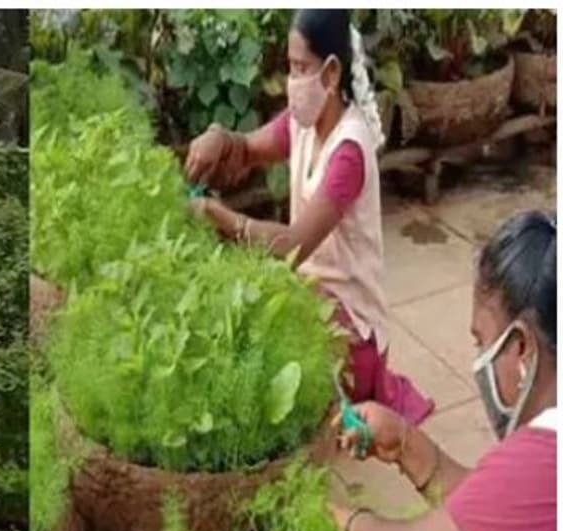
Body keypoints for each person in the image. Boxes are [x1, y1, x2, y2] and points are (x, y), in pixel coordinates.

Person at [328, 211, 557, 531]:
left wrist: (343, 519)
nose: (477, 358)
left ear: (520, 347)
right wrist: (408, 446)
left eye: (481, 341)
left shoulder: (547, 461)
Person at [183, 9, 434, 425]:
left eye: (301, 68)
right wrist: (219, 137)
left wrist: (218, 214)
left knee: (258, 352)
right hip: (311, 296)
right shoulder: (303, 123)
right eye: (290, 67)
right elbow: (247, 149)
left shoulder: (348, 152)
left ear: (331, 73)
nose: (292, 81)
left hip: (349, 329)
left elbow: (293, 246)